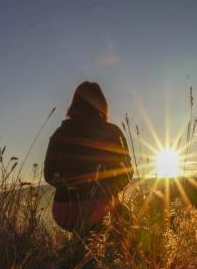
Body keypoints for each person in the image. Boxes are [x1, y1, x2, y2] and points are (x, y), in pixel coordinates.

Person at [44, 81, 133, 232]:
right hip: (99, 208)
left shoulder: (59, 133)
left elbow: (48, 175)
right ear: (101, 103)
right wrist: (108, 191)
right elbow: (127, 172)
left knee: (86, 236)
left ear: (74, 103)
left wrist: (70, 187)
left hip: (64, 211)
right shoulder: (112, 132)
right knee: (127, 222)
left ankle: (79, 250)